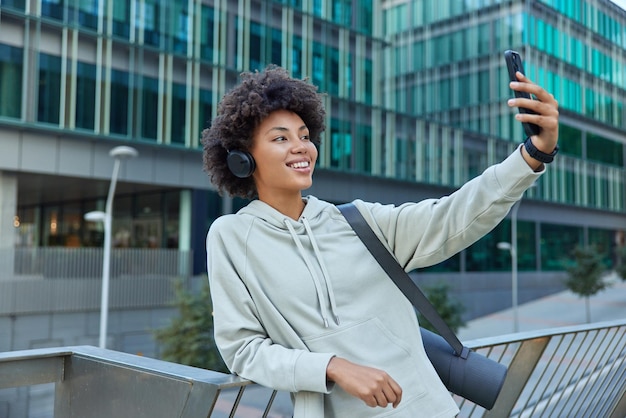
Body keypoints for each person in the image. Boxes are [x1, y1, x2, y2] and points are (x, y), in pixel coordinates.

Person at [201, 65, 558, 417]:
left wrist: (533, 154)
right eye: (281, 138)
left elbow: (452, 216)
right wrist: (332, 366)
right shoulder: (231, 238)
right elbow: (243, 350)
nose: (301, 148)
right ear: (242, 158)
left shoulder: (357, 220)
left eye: (305, 136)